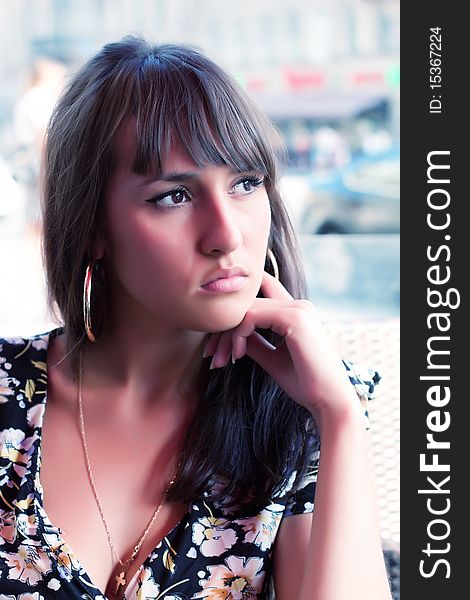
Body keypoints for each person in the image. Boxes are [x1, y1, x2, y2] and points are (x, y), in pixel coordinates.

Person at [0, 36, 392, 599]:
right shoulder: (8, 392)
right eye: (173, 197)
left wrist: (339, 418)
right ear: (92, 228)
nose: (227, 235)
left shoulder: (300, 417)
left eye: (245, 184)